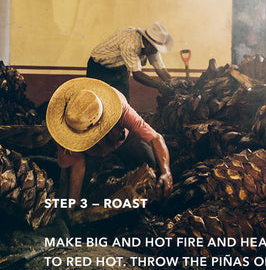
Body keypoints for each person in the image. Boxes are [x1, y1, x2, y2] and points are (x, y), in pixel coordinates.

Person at [46, 77, 173, 205]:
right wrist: (74, 202)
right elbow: (77, 164)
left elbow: (155, 138)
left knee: (150, 162)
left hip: (123, 140)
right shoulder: (67, 129)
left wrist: (166, 172)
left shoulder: (119, 107)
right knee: (69, 195)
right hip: (90, 153)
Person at [86, 22, 174, 100]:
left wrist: (173, 83)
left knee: (123, 104)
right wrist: (159, 85)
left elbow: (160, 68)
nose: (155, 52)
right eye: (155, 48)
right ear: (147, 42)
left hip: (120, 70)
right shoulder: (131, 42)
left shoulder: (152, 48)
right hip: (99, 69)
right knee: (97, 102)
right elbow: (137, 75)